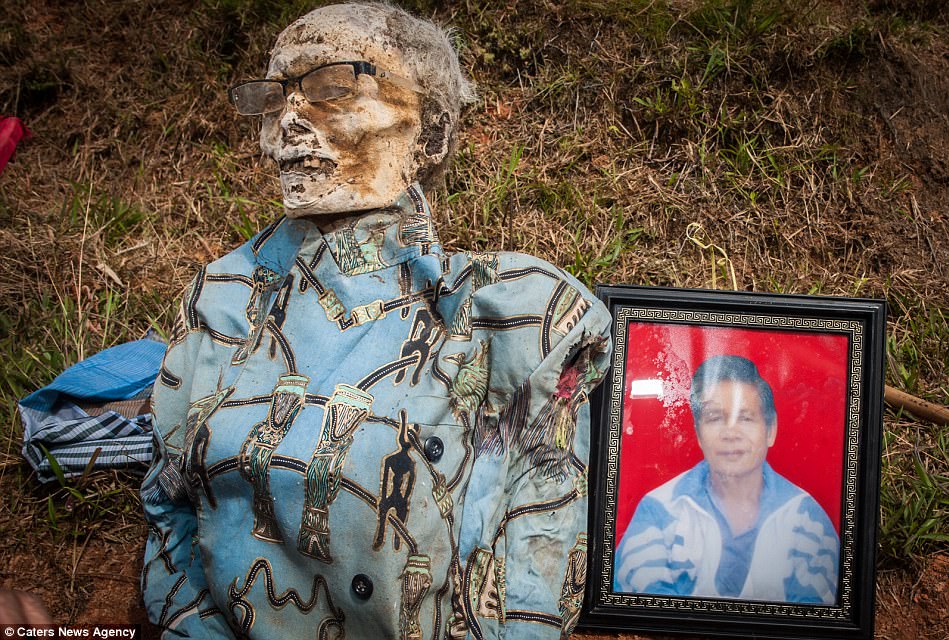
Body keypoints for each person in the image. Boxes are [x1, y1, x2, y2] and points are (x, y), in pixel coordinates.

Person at [140, 3, 611, 639]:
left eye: (332, 87)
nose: (290, 120)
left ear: (433, 132)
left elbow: (542, 538)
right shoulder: (223, 298)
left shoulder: (520, 315)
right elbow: (169, 508)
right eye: (274, 98)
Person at [614, 355, 839, 604]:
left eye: (745, 418)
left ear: (771, 429)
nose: (730, 433)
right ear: (698, 432)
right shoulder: (658, 511)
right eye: (714, 418)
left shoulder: (808, 521)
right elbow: (648, 618)